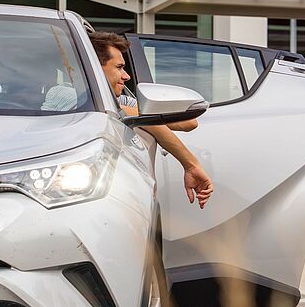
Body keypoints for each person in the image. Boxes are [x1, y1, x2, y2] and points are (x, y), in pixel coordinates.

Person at [88, 31, 213, 208]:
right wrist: (191, 165)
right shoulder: (65, 96)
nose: (126, 76)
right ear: (94, 68)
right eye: (119, 67)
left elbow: (189, 122)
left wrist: (145, 111)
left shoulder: (121, 100)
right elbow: (150, 122)